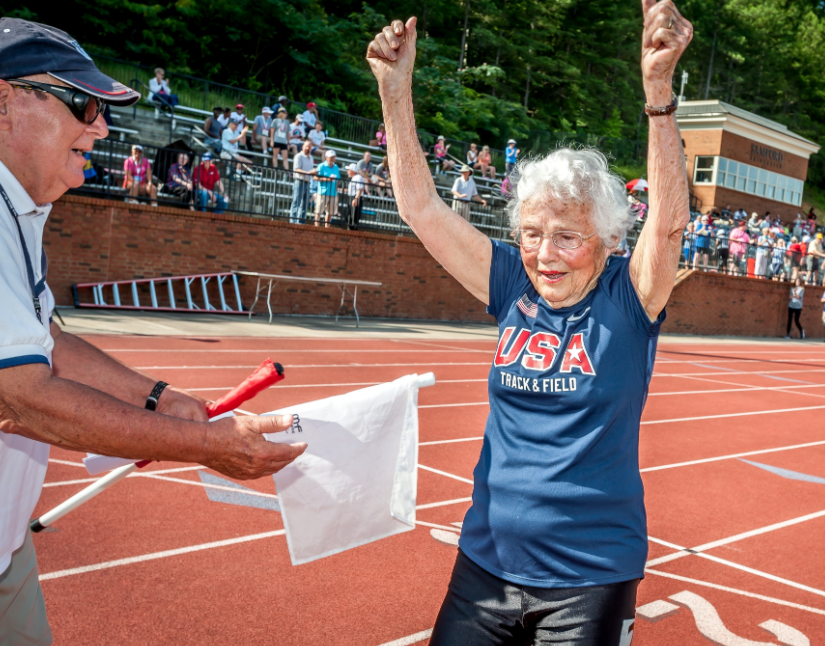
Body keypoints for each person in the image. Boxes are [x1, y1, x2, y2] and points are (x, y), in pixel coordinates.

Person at [367, 3, 692, 641]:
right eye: (533, 234)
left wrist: (658, 92)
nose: (545, 254)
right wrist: (394, 90)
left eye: (567, 237)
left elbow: (670, 222)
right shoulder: (511, 283)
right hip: (484, 565)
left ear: (605, 240)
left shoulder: (629, 297)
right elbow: (421, 208)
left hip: (589, 578)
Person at [0, 18, 306, 645]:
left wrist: (164, 401)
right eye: (82, 103)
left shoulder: (21, 208)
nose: (102, 126)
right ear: (6, 101)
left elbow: (44, 341)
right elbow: (21, 396)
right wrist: (208, 446)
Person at [290, 140, 315, 223]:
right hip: (299, 181)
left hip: (307, 182)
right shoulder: (298, 156)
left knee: (304, 204)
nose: (308, 148)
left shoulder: (311, 158)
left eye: (310, 147)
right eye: (307, 146)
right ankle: (293, 221)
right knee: (296, 202)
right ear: (303, 146)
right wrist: (308, 173)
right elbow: (296, 169)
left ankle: (301, 222)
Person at [315, 149, 340, 227]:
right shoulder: (321, 166)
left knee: (330, 213)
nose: (332, 159)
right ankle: (316, 227)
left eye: (333, 157)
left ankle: (327, 228)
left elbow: (337, 180)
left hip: (333, 193)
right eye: (330, 157)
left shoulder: (336, 167)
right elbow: (315, 178)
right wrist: (327, 179)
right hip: (323, 192)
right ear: (326, 157)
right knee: (318, 211)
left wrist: (337, 191)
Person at [343, 163, 365, 229]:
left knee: (353, 217)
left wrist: (356, 199)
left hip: (355, 198)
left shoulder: (357, 178)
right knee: (349, 215)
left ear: (352, 171)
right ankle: (350, 228)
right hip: (353, 197)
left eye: (348, 170)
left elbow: (360, 189)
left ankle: (352, 230)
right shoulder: (355, 178)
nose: (347, 172)